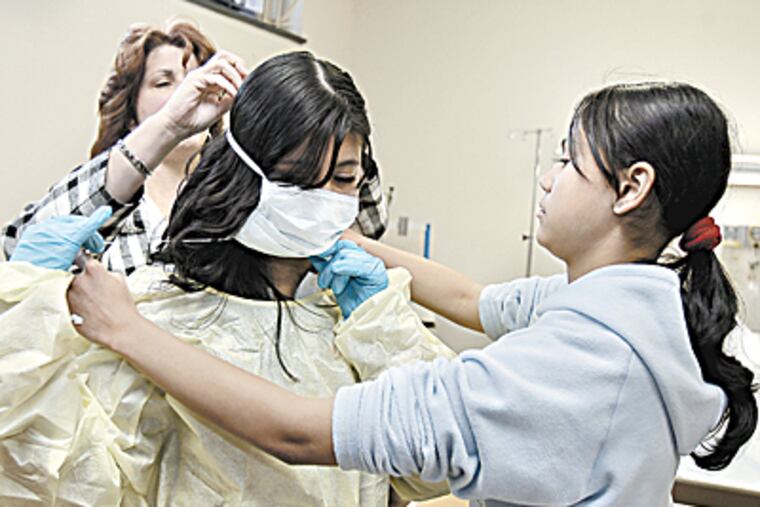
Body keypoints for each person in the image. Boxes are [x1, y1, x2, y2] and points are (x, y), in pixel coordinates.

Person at [26, 82, 760, 505]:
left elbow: (303, 434)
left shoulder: (559, 362)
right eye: (303, 180)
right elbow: (476, 299)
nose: (546, 177)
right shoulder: (643, 307)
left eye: (566, 162)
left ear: (631, 189)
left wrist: (128, 330)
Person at [0, 51, 452, 506]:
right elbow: (66, 482)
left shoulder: (359, 317)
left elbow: (438, 464)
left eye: (343, 177)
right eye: (297, 180)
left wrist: (384, 334)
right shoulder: (157, 315)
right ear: (244, 174)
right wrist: (26, 314)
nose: (323, 200)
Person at [1, 20, 389, 274]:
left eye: (196, 77)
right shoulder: (104, 197)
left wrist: (292, 112)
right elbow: (20, 255)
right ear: (131, 109)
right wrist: (170, 124)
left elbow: (368, 221)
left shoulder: (247, 193)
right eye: (163, 82)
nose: (188, 91)